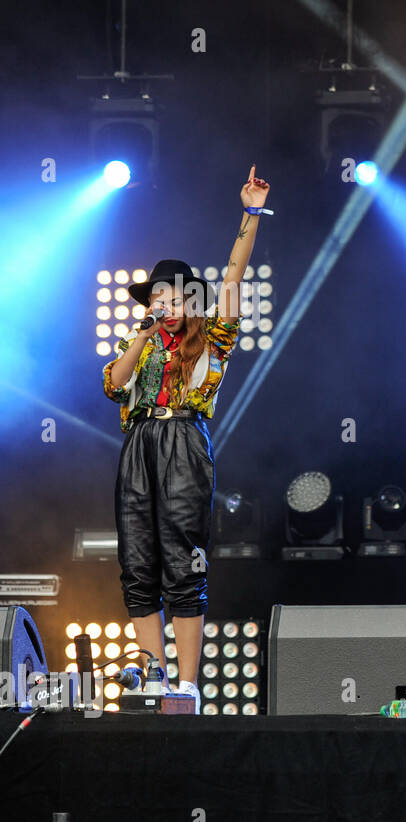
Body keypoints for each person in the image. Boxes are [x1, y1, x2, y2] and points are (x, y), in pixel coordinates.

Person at [103, 166, 270, 707]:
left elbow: (232, 280)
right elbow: (113, 384)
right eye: (157, 297)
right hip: (138, 445)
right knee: (138, 561)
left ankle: (189, 680)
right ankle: (153, 673)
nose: (165, 304)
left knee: (183, 557)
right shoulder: (143, 341)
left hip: (183, 443)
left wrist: (249, 216)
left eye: (174, 297)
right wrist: (143, 334)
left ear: (191, 302)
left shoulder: (212, 338)